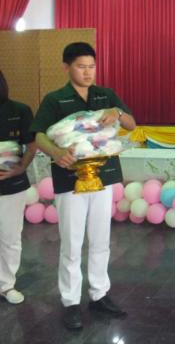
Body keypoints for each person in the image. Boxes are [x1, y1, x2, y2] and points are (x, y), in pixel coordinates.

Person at [30, 42, 136, 329]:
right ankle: (71, 301)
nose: (88, 72)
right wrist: (55, 152)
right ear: (66, 67)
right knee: (72, 242)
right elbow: (38, 135)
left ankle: (99, 294)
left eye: (91, 66)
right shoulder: (55, 99)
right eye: (81, 66)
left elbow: (131, 125)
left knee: (101, 239)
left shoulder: (106, 95)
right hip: (70, 179)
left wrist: (117, 112)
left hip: (103, 177)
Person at [0, 70, 37, 305]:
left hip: (11, 186)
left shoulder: (19, 110)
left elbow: (32, 145)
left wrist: (20, 167)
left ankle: (6, 285)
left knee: (10, 236)